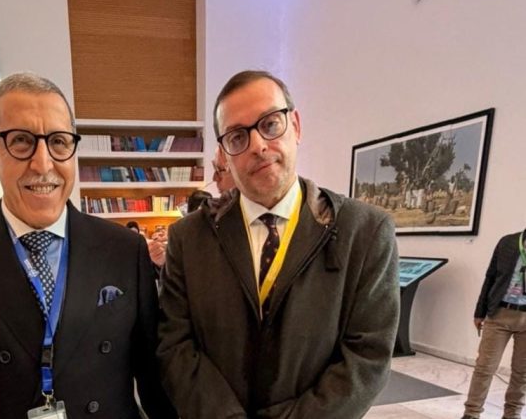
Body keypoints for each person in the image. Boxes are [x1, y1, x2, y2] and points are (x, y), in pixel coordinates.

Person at [0, 72, 175, 419]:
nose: (43, 164)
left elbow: (155, 382)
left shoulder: (126, 250)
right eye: (21, 141)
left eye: (59, 141)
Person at [157, 70, 400, 418]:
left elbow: (367, 359)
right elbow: (175, 346)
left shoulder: (365, 232)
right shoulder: (188, 239)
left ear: (295, 126)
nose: (258, 145)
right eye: (237, 136)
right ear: (225, 154)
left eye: (270, 124)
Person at [462, 229, 526, 419]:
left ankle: (512, 413)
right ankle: (472, 412)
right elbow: (490, 277)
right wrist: (479, 312)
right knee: (484, 367)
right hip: (499, 314)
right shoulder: (508, 242)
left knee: (522, 372)